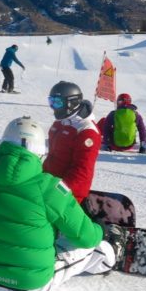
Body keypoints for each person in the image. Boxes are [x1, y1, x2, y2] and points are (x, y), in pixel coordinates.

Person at [0, 116, 123, 291]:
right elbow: (86, 238)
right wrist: (100, 231)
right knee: (90, 247)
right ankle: (112, 254)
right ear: (40, 152)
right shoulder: (50, 187)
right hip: (32, 284)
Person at [42, 81, 102, 212]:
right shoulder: (60, 123)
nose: (53, 108)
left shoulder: (87, 131)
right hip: (48, 186)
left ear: (72, 103)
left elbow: (82, 171)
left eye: (57, 103)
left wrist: (58, 192)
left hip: (68, 194)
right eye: (51, 102)